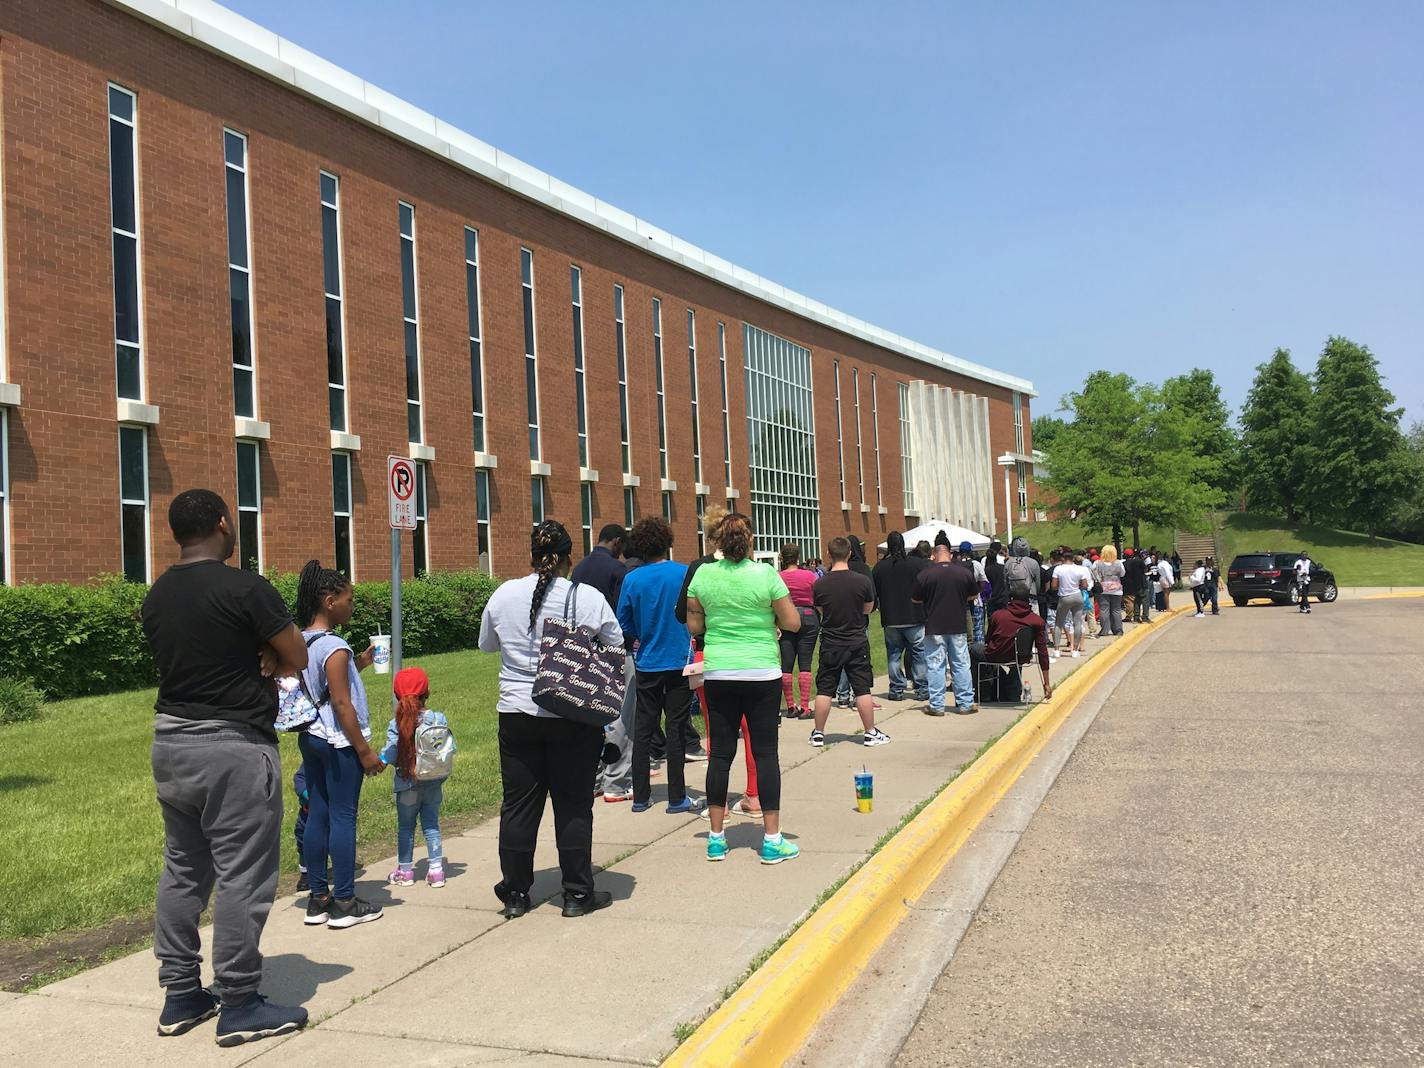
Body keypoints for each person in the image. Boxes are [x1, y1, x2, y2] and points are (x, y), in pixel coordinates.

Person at [142, 489, 310, 1045]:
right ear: (221, 524)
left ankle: (182, 994)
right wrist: (272, 652)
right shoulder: (246, 588)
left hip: (171, 743)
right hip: (233, 746)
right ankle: (239, 1000)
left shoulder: (158, 595)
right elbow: (300, 653)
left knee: (184, 868)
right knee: (243, 873)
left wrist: (264, 651)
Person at [479, 520, 622, 919]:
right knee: (573, 804)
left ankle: (514, 892)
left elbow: (486, 644)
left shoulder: (505, 593)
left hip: (516, 713)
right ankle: (577, 893)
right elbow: (615, 643)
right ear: (567, 558)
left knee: (519, 805)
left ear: (532, 556)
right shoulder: (585, 597)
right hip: (572, 714)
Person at [685, 513, 802, 864]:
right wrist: (771, 623)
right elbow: (793, 621)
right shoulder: (766, 574)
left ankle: (717, 839)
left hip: (720, 671)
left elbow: (694, 625)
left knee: (719, 754)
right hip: (761, 671)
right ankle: (772, 839)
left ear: (717, 541)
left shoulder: (702, 575)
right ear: (749, 541)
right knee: (766, 753)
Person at [295, 560, 385, 931]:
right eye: (349, 600)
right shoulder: (334, 645)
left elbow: (324, 689)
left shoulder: (302, 639)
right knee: (343, 816)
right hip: (338, 741)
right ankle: (345, 900)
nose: (352, 606)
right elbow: (341, 703)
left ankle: (318, 898)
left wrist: (359, 664)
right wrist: (364, 750)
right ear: (330, 602)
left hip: (312, 737)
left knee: (317, 813)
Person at [676, 505, 761, 818]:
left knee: (717, 731)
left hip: (711, 654)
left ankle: (719, 803)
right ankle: (754, 795)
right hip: (754, 655)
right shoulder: (754, 569)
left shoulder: (700, 568)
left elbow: (681, 614)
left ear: (712, 537)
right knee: (752, 730)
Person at [617, 517, 700, 815]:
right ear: (668, 542)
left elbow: (623, 622)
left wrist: (642, 633)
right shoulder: (683, 573)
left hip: (647, 661)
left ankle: (641, 796)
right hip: (679, 660)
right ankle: (677, 796)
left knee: (644, 727)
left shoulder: (632, 579)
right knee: (676, 727)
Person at [573, 524, 635, 803]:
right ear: (617, 541)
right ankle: (616, 782)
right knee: (620, 716)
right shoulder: (617, 570)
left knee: (591, 716)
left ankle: (592, 779)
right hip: (613, 649)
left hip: (583, 650)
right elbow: (623, 614)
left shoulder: (579, 568)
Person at [810, 537, 891, 747]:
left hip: (830, 640)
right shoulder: (862, 581)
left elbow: (821, 610)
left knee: (825, 688)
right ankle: (870, 732)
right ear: (849, 554)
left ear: (829, 554)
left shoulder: (820, 583)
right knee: (862, 688)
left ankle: (818, 733)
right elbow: (868, 608)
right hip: (856, 639)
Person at [380, 667, 454, 888]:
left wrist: (379, 761)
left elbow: (392, 752)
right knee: (431, 825)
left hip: (407, 785)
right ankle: (436, 872)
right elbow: (449, 747)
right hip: (433, 782)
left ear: (396, 695)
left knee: (406, 827)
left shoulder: (397, 723)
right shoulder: (437, 718)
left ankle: (405, 871)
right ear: (427, 693)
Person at [913, 541, 979, 716]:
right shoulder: (964, 573)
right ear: (950, 555)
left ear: (934, 556)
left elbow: (915, 599)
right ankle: (965, 703)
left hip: (934, 625)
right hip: (958, 624)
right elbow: (973, 595)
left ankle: (937, 705)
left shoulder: (925, 575)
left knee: (935, 666)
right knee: (961, 664)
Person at [872, 531, 930, 703]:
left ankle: (896, 689)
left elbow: (875, 593)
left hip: (891, 618)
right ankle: (921, 689)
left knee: (894, 654)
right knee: (918, 653)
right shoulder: (917, 564)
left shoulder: (879, 568)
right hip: (914, 616)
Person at [977, 592, 1054, 703]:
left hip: (995, 655)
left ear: (1011, 599)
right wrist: (1046, 683)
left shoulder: (998, 615)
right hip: (1021, 657)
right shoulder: (1037, 621)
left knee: (973, 650)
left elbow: (988, 640)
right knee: (1017, 658)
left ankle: (985, 693)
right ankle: (1013, 693)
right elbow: (1042, 652)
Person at [778, 542, 819, 719]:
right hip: (809, 615)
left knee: (786, 664)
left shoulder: (778, 577)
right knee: (805, 663)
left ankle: (790, 706)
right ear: (797, 557)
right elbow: (819, 595)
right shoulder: (809, 576)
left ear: (782, 558)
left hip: (786, 616)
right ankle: (805, 707)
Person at [1050, 552, 1091, 658]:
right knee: (1077, 623)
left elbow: (1054, 586)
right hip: (1077, 596)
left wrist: (1062, 585)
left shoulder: (1058, 569)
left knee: (1059, 623)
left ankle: (1057, 649)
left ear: (1063, 558)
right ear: (1073, 558)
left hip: (1064, 597)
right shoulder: (1079, 569)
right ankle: (1075, 650)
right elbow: (1085, 585)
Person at [1094, 545, 1126, 636]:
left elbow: (1094, 574)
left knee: (1104, 609)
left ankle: (1104, 630)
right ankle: (1118, 629)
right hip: (1116, 589)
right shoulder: (1118, 563)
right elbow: (1123, 574)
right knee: (1116, 610)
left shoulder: (1097, 563)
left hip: (1103, 588)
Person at [293, 766, 312, 893]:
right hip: (308, 812)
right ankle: (305, 874)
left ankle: (341, 868)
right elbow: (299, 777)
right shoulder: (310, 760)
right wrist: (305, 793)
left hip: (331, 812)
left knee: (334, 841)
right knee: (303, 840)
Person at [1122, 548, 1143, 623]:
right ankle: (1136, 615)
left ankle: (1129, 616)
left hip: (1127, 584)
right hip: (1135, 583)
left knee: (1128, 601)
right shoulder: (1136, 563)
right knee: (1134, 600)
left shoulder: (1124, 564)